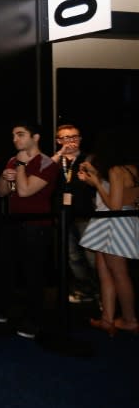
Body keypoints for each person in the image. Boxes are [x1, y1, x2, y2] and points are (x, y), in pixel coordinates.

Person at [0, 122, 59, 339]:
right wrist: (5, 177)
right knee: (4, 266)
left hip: (36, 225)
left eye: (20, 134)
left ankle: (34, 320)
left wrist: (19, 165)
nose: (15, 139)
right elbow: (1, 192)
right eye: (13, 135)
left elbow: (26, 191)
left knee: (33, 274)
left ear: (35, 137)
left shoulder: (46, 163)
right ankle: (0, 310)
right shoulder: (13, 160)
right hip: (12, 222)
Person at [78, 126, 139, 336]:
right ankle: (108, 319)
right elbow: (126, 199)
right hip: (123, 221)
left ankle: (130, 320)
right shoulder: (132, 168)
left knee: (118, 273)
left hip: (114, 222)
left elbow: (113, 205)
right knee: (105, 271)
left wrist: (96, 182)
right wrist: (97, 177)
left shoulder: (116, 170)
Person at [51, 124, 97, 303]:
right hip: (63, 216)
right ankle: (86, 290)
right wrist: (59, 154)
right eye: (66, 138)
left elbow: (101, 183)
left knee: (92, 257)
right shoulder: (55, 160)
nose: (71, 141)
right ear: (58, 141)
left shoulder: (89, 159)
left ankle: (102, 291)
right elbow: (42, 170)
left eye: (74, 137)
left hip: (86, 215)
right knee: (72, 257)